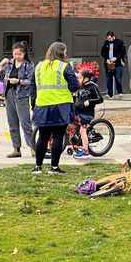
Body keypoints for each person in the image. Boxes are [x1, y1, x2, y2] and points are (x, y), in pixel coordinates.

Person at [31, 41, 78, 174]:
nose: (66, 54)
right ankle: (54, 167)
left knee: (42, 136)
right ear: (62, 52)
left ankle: (38, 166)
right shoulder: (64, 66)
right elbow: (74, 85)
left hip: (42, 105)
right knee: (58, 136)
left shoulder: (39, 66)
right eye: (65, 51)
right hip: (61, 105)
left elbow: (32, 86)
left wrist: (33, 104)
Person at [0, 43, 35, 158]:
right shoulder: (9, 63)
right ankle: (16, 148)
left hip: (22, 96)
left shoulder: (28, 65)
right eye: (15, 54)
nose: (17, 56)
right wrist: (0, 65)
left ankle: (33, 147)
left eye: (20, 54)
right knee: (12, 123)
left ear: (24, 54)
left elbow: (31, 81)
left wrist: (18, 81)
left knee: (25, 123)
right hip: (9, 94)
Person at [72, 61, 103, 159]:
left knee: (82, 130)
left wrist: (90, 101)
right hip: (78, 111)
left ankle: (85, 151)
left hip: (87, 114)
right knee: (70, 124)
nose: (78, 79)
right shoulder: (80, 86)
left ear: (86, 79)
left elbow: (100, 99)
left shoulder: (93, 87)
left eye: (80, 77)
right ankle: (74, 143)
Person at [100, 31, 126, 98]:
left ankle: (120, 92)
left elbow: (123, 52)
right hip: (108, 64)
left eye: (110, 38)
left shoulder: (119, 42)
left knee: (118, 78)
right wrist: (107, 59)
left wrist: (116, 58)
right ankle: (109, 94)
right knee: (109, 79)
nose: (109, 40)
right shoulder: (106, 43)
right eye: (108, 39)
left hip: (117, 64)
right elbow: (102, 52)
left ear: (113, 36)